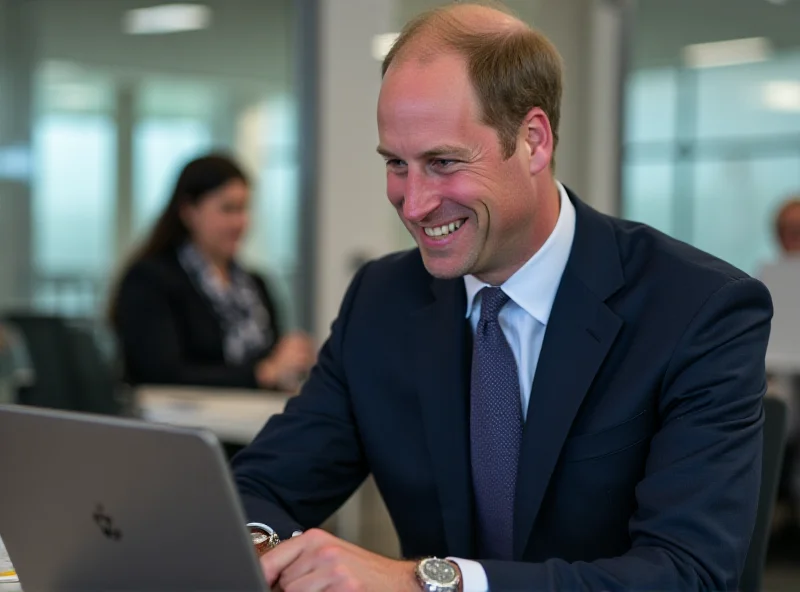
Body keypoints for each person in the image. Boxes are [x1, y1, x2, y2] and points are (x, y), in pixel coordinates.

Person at [232, 4, 773, 591]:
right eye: (397, 165)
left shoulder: (699, 309)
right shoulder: (381, 301)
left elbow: (687, 575)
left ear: (533, 141)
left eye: (442, 163)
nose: (413, 205)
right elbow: (254, 491)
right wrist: (274, 553)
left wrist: (428, 582)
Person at [111, 154, 314, 392]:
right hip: (181, 422)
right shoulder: (150, 280)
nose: (240, 222)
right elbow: (160, 373)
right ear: (189, 211)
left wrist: (290, 363)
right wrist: (262, 373)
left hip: (255, 420)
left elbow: (272, 361)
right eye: (228, 209)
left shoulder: (256, 284)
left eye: (244, 209)